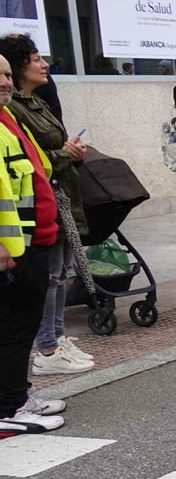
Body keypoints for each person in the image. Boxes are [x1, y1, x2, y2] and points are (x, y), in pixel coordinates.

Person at [0, 34, 91, 376]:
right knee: (48, 278)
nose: (45, 64)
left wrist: (69, 153)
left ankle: (56, 338)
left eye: (7, 76)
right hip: (35, 209)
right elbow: (32, 162)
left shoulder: (37, 103)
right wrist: (65, 154)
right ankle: (48, 346)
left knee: (59, 273)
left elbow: (39, 158)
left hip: (59, 197)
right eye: (37, 59)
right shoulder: (14, 112)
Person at [0, 51, 68, 434]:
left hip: (29, 239)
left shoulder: (8, 118)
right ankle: (9, 407)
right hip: (14, 246)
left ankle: (19, 396)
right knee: (14, 328)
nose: (6, 82)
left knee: (22, 327)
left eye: (8, 74)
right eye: (0, 76)